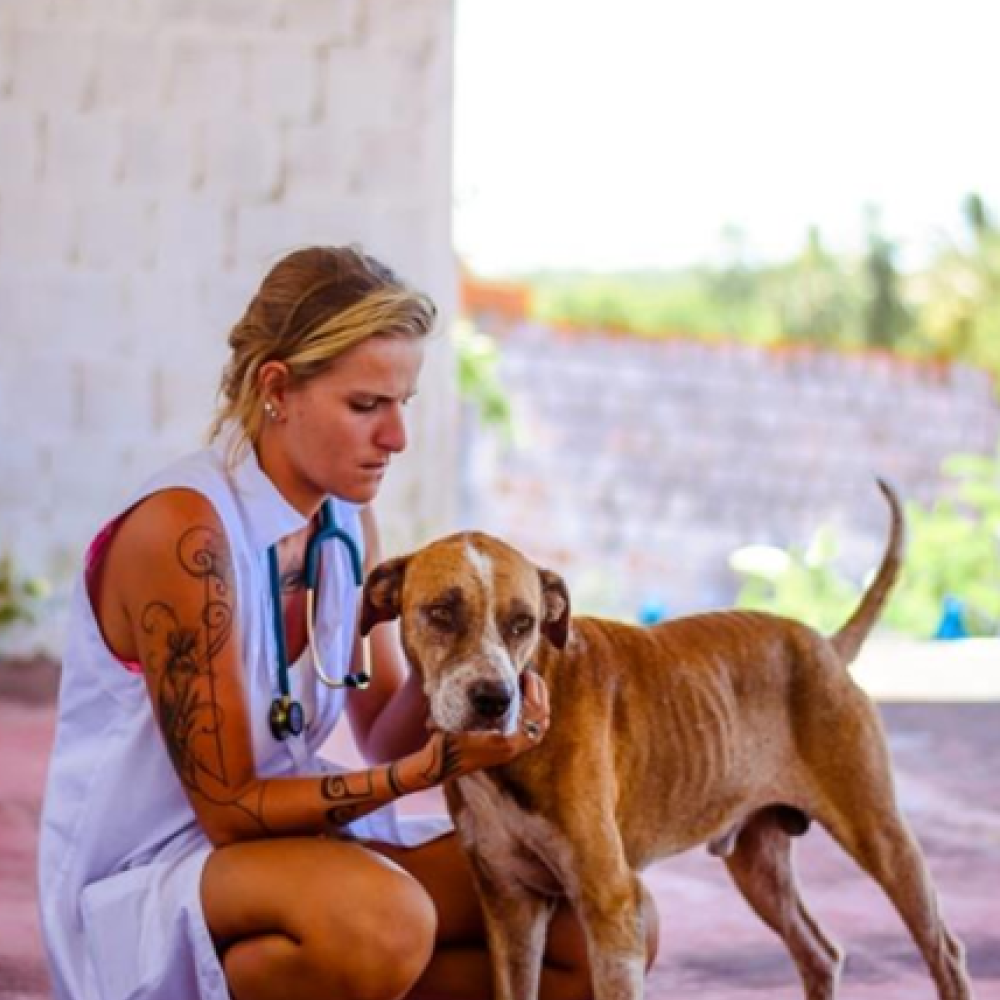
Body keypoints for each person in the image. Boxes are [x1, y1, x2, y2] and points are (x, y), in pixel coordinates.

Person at [38, 245, 658, 1000]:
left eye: (403, 404)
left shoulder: (344, 521)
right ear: (277, 388)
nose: (396, 437)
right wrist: (422, 775)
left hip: (299, 850)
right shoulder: (185, 534)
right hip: (163, 867)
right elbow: (230, 810)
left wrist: (469, 653)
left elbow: (388, 731)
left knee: (602, 921)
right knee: (386, 920)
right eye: (367, 406)